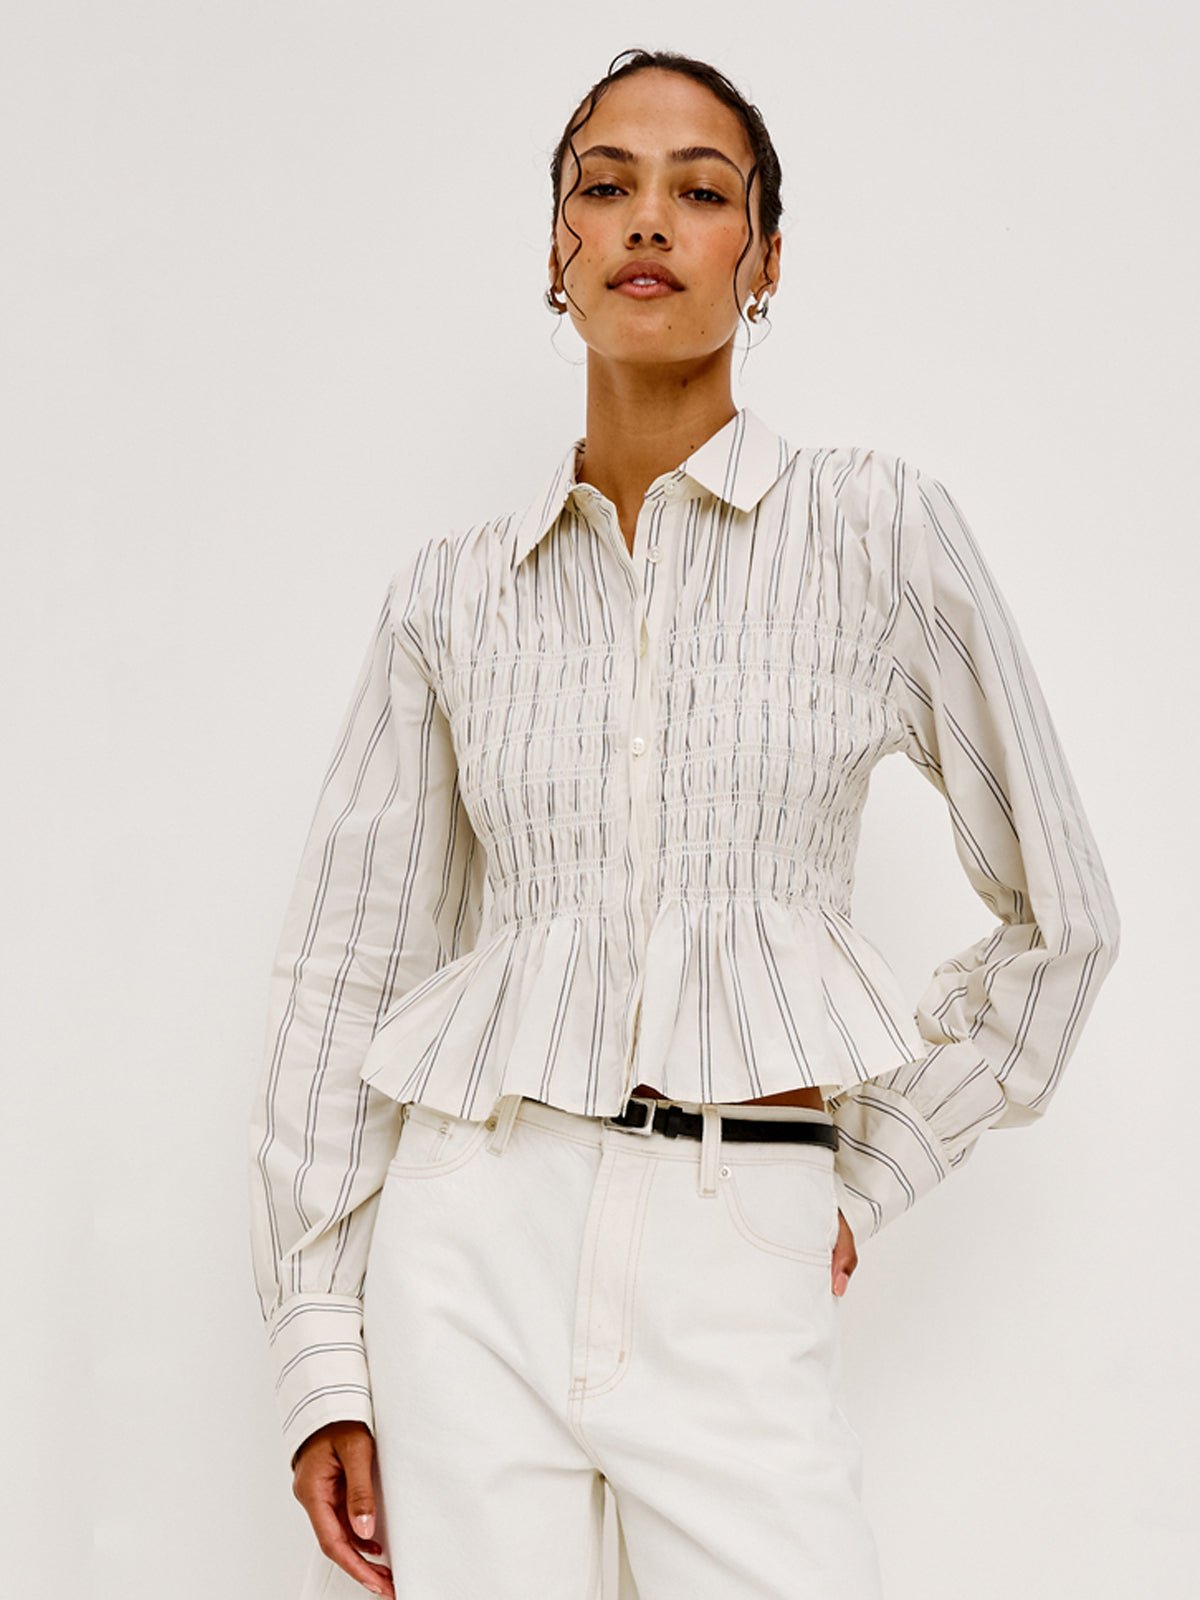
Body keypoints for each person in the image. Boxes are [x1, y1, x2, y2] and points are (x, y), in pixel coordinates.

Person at [247, 47, 1120, 1600]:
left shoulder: (876, 530)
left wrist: (873, 1168)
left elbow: (1065, 922)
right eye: (608, 186)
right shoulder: (450, 596)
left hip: (743, 1233)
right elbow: (346, 978)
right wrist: (322, 1347)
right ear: (560, 250)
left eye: (702, 192)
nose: (649, 219)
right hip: (467, 1241)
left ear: (763, 259)